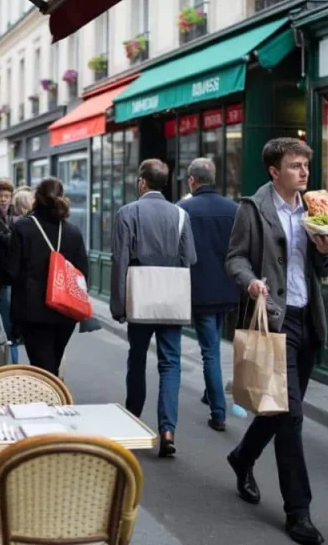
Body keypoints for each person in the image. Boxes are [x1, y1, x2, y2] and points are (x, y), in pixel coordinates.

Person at [224, 138, 328, 545]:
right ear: (274, 171)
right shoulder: (253, 209)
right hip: (274, 321)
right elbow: (234, 257)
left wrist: (327, 251)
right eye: (294, 165)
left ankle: (242, 457)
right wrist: (250, 282)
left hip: (309, 319)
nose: (304, 172)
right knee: (290, 417)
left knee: (277, 410)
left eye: (306, 164)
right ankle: (299, 512)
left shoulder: (316, 208)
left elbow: (324, 268)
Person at [111, 158, 198, 458]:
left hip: (141, 296)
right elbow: (190, 259)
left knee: (137, 358)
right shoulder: (181, 215)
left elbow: (120, 260)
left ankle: (133, 419)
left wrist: (118, 304)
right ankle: (167, 430)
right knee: (170, 363)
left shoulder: (128, 213)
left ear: (142, 182)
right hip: (171, 299)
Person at [178, 158, 239, 432]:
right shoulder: (233, 209)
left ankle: (218, 412)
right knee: (213, 346)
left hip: (199, 291)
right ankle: (209, 392)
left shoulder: (183, 209)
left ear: (192, 180)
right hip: (227, 289)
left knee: (210, 353)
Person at [6, 177, 88, 375]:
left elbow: (12, 272)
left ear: (37, 198)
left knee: (42, 370)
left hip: (32, 311)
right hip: (65, 311)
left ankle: (49, 403)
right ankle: (53, 402)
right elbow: (82, 273)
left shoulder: (23, 227)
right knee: (53, 365)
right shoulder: (73, 232)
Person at [0, 179, 17, 363]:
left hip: (11, 274)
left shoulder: (14, 218)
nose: (3, 200)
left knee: (8, 315)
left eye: (6, 196)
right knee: (0, 314)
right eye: (0, 196)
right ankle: (3, 356)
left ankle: (9, 357)